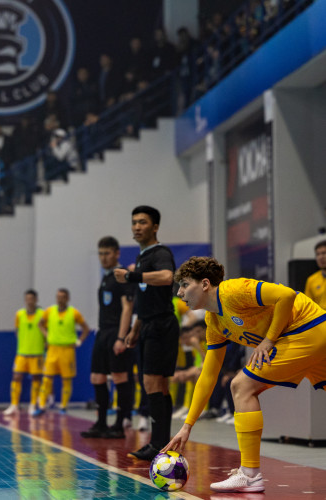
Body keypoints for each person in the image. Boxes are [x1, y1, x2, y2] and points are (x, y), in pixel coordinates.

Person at [163, 256, 326, 493]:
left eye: (185, 285)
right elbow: (208, 376)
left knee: (241, 386)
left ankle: (250, 475)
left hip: (307, 329)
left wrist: (268, 340)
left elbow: (287, 295)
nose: (180, 292)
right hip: (314, 335)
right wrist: (187, 426)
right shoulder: (214, 321)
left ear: (205, 284)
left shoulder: (233, 291)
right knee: (241, 385)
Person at [114, 206, 179, 461]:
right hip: (148, 325)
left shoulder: (160, 253)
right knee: (156, 384)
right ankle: (162, 444)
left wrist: (132, 275)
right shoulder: (142, 257)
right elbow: (145, 299)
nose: (137, 227)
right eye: (134, 222)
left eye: (142, 222)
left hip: (162, 325)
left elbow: (167, 276)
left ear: (155, 227)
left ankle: (158, 443)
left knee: (153, 383)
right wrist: (135, 328)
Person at [81, 236, 135, 439]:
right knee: (97, 377)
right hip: (102, 332)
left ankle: (120, 424)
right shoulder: (106, 277)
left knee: (120, 377)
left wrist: (121, 338)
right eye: (101, 254)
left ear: (116, 253)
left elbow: (127, 308)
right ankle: (101, 423)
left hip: (116, 332)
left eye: (107, 253)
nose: (103, 257)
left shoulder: (122, 276)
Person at [34, 288, 91, 415]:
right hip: (52, 349)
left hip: (67, 350)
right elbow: (40, 324)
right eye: (58, 296)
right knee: (47, 378)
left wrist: (79, 341)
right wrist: (47, 335)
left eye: (63, 297)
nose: (60, 299)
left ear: (67, 298)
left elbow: (86, 328)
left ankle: (63, 406)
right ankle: (42, 405)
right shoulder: (49, 311)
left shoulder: (74, 313)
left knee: (67, 379)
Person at [3, 289, 45, 417]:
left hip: (37, 353)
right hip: (22, 353)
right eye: (27, 299)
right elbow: (17, 331)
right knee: (16, 376)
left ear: (36, 300)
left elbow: (47, 331)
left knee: (36, 378)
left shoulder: (43, 314)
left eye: (32, 299)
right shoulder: (19, 314)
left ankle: (33, 405)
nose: (29, 301)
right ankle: (14, 405)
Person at [304, 239, 326, 309]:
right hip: (320, 315)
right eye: (318, 254)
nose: (321, 257)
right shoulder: (311, 280)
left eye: (324, 253)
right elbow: (308, 306)